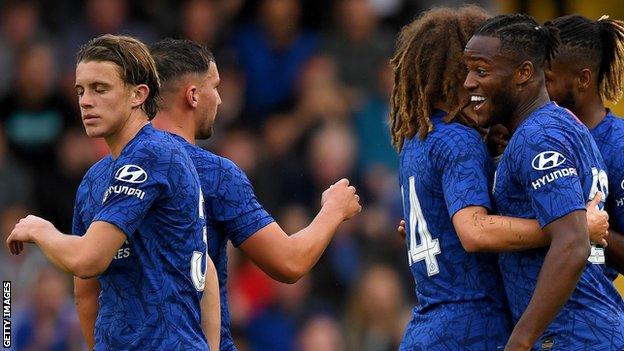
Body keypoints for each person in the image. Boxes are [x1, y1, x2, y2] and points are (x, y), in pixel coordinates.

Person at [74, 38, 362, 351]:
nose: (220, 100)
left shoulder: (97, 178)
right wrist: (333, 210)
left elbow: (86, 292)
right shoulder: (214, 174)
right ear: (193, 95)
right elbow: (289, 262)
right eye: (215, 86)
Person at [389, 7, 609, 351]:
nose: (469, 81)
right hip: (475, 325)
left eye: (480, 69)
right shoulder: (463, 140)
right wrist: (575, 226)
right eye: (466, 68)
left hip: (430, 327)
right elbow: (474, 230)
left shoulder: (418, 139)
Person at [7, 34, 219, 350]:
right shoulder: (95, 178)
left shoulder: (153, 155)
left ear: (138, 94)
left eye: (100, 89)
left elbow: (88, 258)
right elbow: (85, 290)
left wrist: (40, 229)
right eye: (80, 90)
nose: (85, 101)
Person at [464, 14, 624, 350]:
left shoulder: (540, 136)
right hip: (585, 330)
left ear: (524, 73)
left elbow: (572, 243)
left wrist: (520, 342)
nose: (468, 83)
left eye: (481, 70)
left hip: (571, 335)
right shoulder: (559, 125)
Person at [545, 14, 624, 277]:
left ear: (583, 79)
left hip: (586, 310)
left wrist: (578, 225)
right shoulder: (532, 133)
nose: (536, 89)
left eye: (547, 80)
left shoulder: (618, 144)